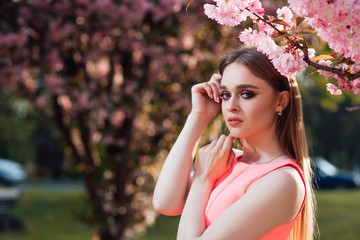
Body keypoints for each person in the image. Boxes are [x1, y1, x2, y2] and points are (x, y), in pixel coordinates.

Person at [153, 47, 316, 240]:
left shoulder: (282, 180)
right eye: (225, 95)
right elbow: (165, 202)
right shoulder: (226, 161)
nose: (231, 106)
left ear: (281, 101)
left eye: (246, 94)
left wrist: (202, 178)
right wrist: (199, 116)